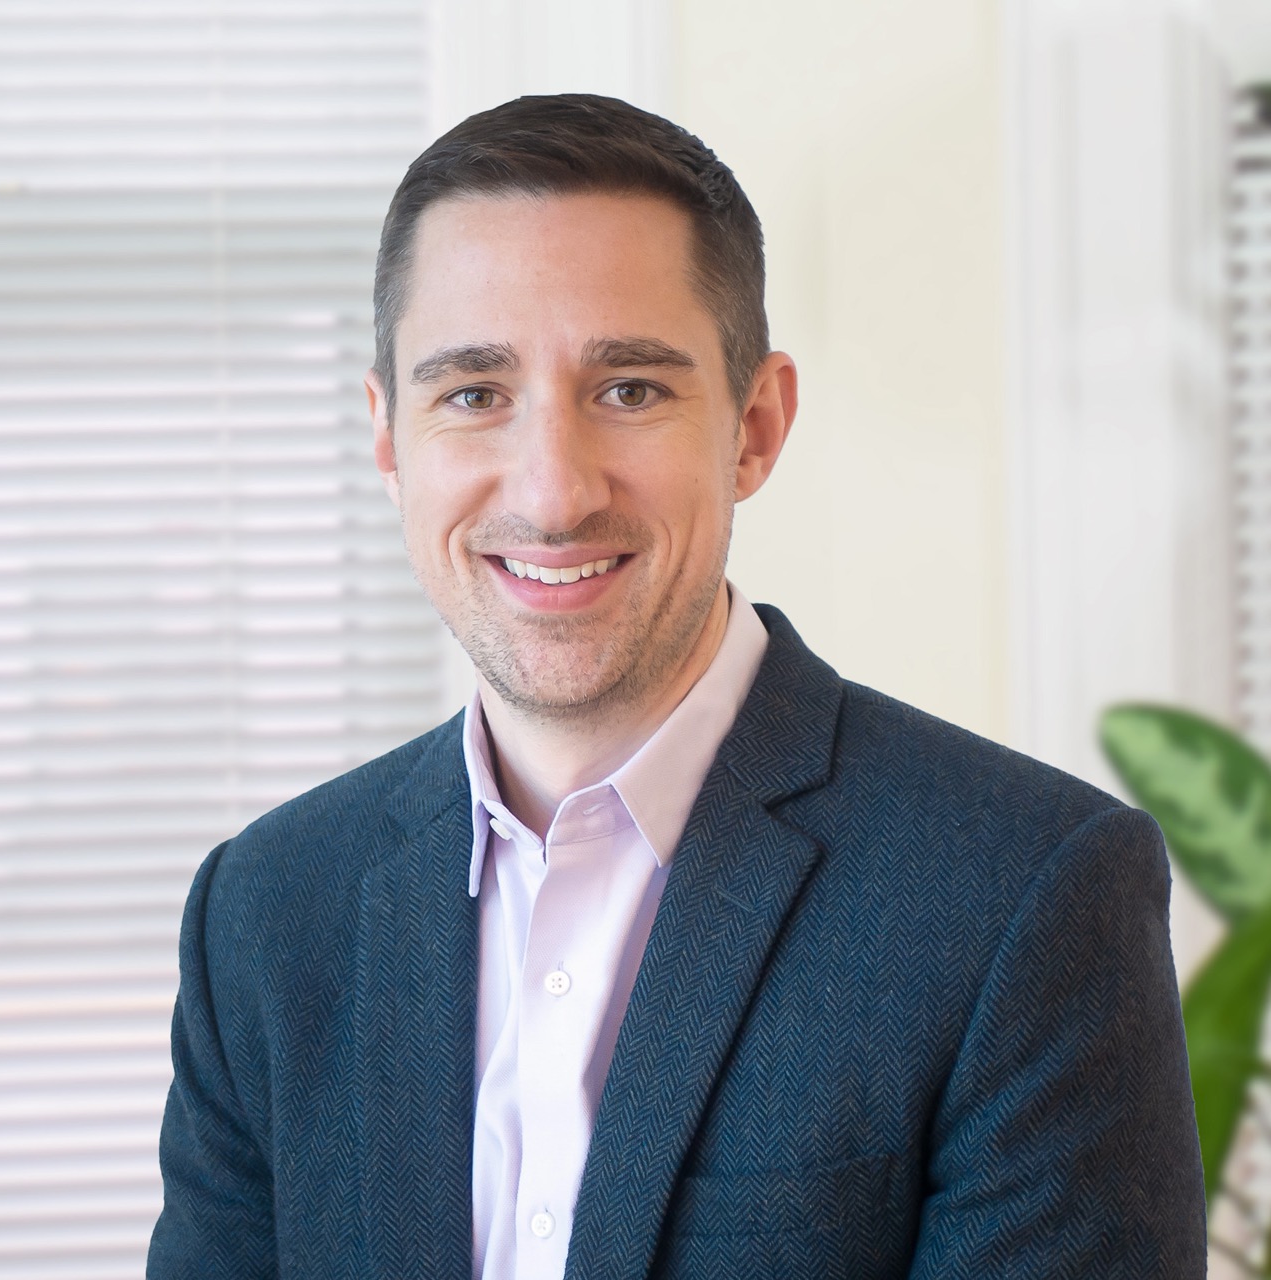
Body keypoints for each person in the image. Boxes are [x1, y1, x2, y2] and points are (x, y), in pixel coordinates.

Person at [148, 94, 1206, 1279]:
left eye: (630, 389)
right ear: (389, 439)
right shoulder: (265, 912)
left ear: (754, 427)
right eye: (473, 393)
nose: (551, 492)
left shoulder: (1024, 895)